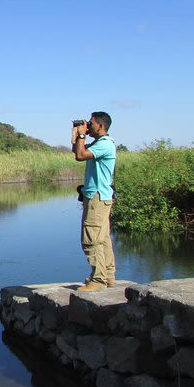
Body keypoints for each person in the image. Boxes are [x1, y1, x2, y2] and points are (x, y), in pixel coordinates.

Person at [72, 111, 116, 291]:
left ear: (101, 125)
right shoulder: (99, 144)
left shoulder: (104, 144)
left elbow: (80, 156)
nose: (88, 126)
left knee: (91, 238)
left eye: (90, 123)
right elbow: (77, 151)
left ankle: (98, 280)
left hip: (98, 197)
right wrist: (76, 135)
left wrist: (82, 134)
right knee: (103, 238)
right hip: (98, 196)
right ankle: (108, 276)